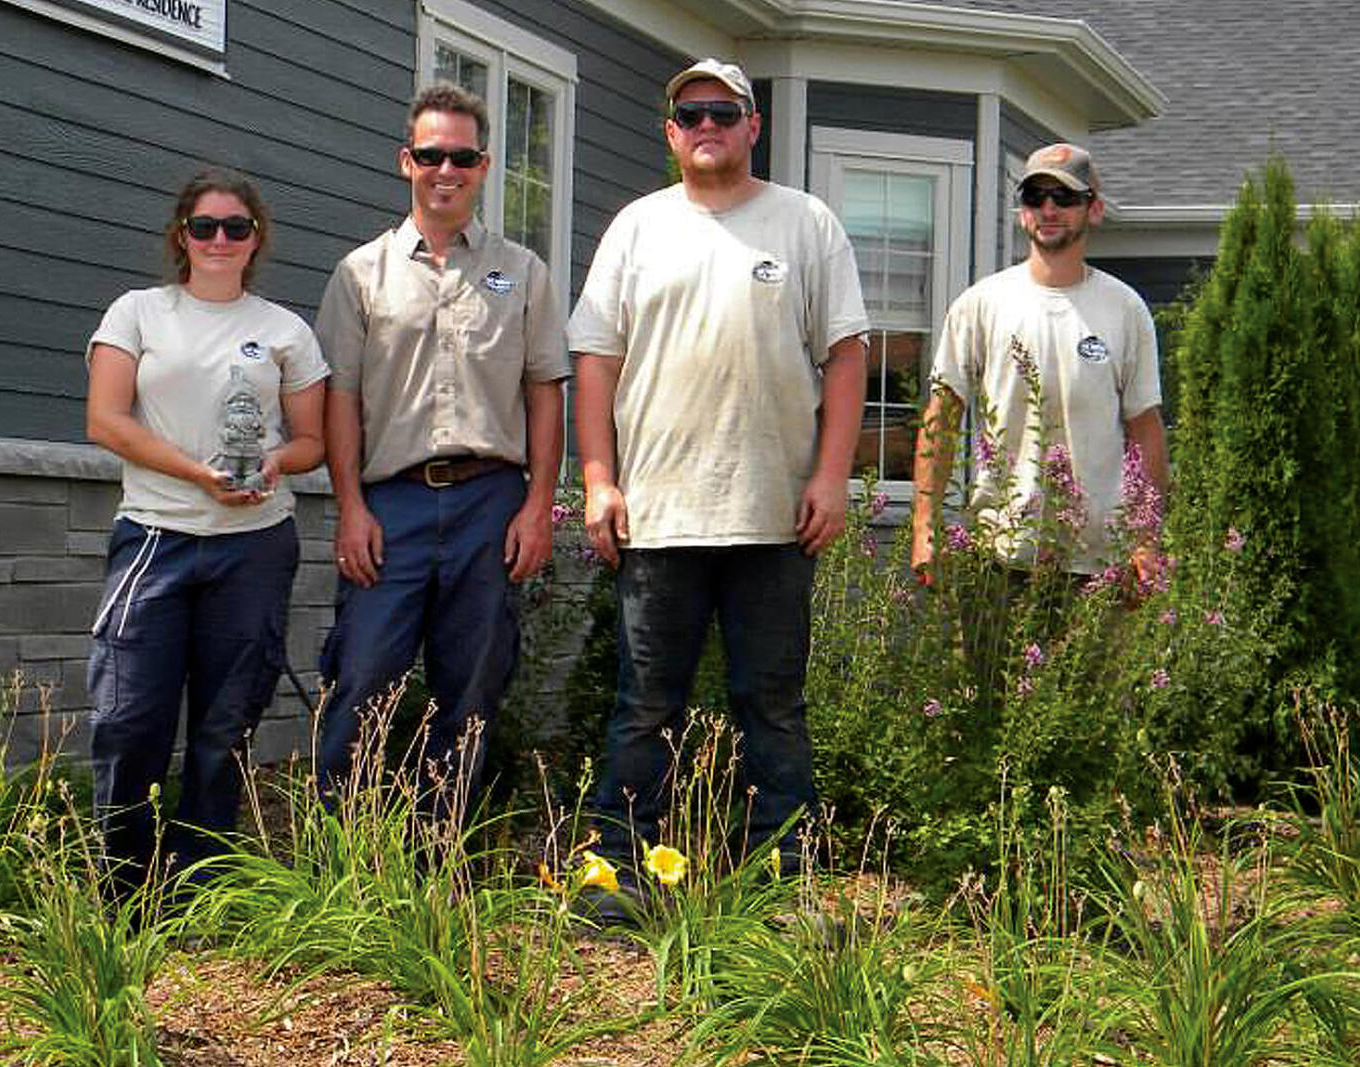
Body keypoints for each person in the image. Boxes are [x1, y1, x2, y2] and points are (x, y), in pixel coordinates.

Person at [569, 59, 869, 892]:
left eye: (724, 112)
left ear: (752, 125)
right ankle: (617, 875)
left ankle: (784, 877)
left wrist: (831, 475)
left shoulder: (806, 225)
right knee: (644, 707)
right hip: (658, 518)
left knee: (772, 706)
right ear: (671, 133)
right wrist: (599, 478)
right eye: (691, 114)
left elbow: (845, 357)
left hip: (775, 515)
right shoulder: (636, 228)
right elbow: (595, 361)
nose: (708, 125)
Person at [314, 83, 568, 812]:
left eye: (462, 156)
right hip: (389, 504)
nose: (445, 170)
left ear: (484, 166)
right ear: (406, 161)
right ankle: (345, 848)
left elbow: (546, 389)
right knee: (364, 674)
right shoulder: (361, 274)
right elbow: (341, 398)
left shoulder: (522, 273)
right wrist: (351, 507)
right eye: (431, 155)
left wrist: (539, 505)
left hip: (490, 500)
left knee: (471, 683)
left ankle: (439, 854)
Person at [86, 168, 329, 890]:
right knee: (130, 718)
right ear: (181, 236)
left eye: (236, 227)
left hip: (253, 546)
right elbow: (105, 420)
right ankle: (121, 887)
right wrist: (196, 473)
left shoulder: (285, 330)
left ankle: (200, 886)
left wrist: (276, 464)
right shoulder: (137, 312)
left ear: (256, 240)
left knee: (226, 727)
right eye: (205, 227)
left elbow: (311, 439)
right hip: (157, 535)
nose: (220, 239)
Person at [911, 142, 1168, 586]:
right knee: (992, 661)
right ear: (1022, 212)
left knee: (1093, 661)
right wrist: (923, 525)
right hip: (998, 552)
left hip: (1101, 564)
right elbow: (942, 418)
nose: (1049, 208)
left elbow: (1145, 429)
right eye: (1035, 197)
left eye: (1065, 197)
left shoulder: (1126, 309)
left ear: (1094, 209)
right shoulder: (981, 304)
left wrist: (1146, 540)